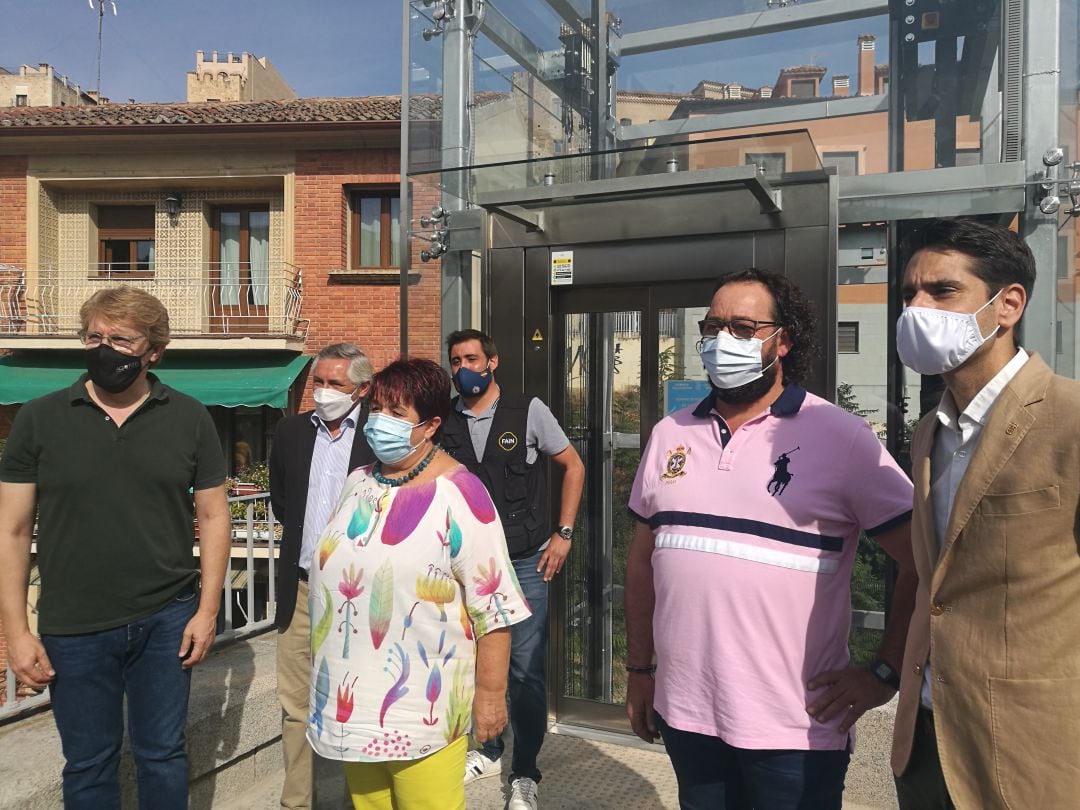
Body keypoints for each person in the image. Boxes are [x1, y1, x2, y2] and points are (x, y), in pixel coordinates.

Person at [624, 268, 917, 810]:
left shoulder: (842, 438)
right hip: (688, 715)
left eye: (742, 327)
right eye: (712, 328)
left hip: (795, 729)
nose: (721, 342)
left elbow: (923, 561)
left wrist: (886, 671)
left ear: (781, 341)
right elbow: (643, 564)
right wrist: (640, 670)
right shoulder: (671, 434)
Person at [0, 286, 230, 809]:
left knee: (163, 754)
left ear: (154, 350)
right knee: (87, 763)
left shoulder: (190, 417)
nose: (105, 348)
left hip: (167, 618)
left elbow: (215, 516)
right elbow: (10, 530)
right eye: (94, 336)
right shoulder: (38, 418)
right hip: (73, 624)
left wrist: (207, 610)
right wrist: (16, 631)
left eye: (121, 339)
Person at [890, 219, 1080, 809]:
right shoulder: (928, 434)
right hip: (922, 746)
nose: (917, 308)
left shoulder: (1070, 422)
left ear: (1008, 305)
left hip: (1029, 754)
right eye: (909, 294)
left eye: (942, 292)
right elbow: (935, 583)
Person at [307, 357, 530, 810]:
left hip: (422, 714)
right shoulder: (358, 482)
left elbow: (497, 608)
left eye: (396, 413)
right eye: (378, 409)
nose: (379, 422)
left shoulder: (461, 493)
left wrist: (490, 697)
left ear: (429, 425)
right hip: (352, 707)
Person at [440, 329, 584, 810]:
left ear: (493, 362)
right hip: (466, 569)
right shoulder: (446, 421)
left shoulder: (528, 411)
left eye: (473, 358)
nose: (465, 367)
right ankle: (488, 748)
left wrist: (563, 535)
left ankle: (525, 771)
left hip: (524, 564)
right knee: (472, 665)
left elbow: (573, 465)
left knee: (523, 670)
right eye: (457, 360)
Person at [269, 342, 376, 809]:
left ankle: (362, 801)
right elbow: (281, 500)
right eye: (319, 382)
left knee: (361, 701)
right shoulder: (292, 432)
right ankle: (297, 802)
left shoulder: (380, 434)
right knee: (296, 705)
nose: (325, 392)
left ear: (362, 389)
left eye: (337, 384)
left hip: (360, 593)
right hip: (300, 585)